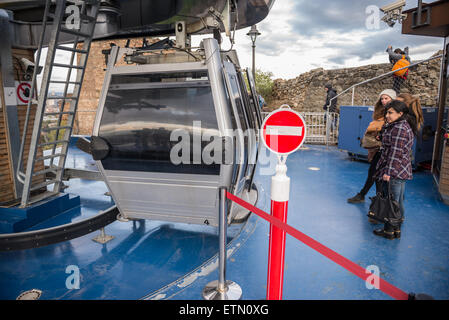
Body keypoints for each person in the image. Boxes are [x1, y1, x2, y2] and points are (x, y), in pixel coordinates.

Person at [373, 100, 417, 239]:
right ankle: (396, 229)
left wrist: (388, 173)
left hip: (395, 171)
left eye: (390, 112)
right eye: (387, 112)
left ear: (400, 113)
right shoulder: (400, 125)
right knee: (397, 202)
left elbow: (395, 153)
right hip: (401, 170)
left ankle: (389, 231)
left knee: (392, 203)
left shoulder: (399, 128)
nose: (387, 115)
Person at [347, 89, 396, 203]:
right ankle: (369, 198)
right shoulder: (381, 112)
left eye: (386, 98)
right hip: (378, 149)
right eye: (382, 98)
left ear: (392, 99)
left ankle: (377, 202)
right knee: (374, 173)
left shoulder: (395, 114)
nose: (384, 101)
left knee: (379, 176)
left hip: (388, 150)